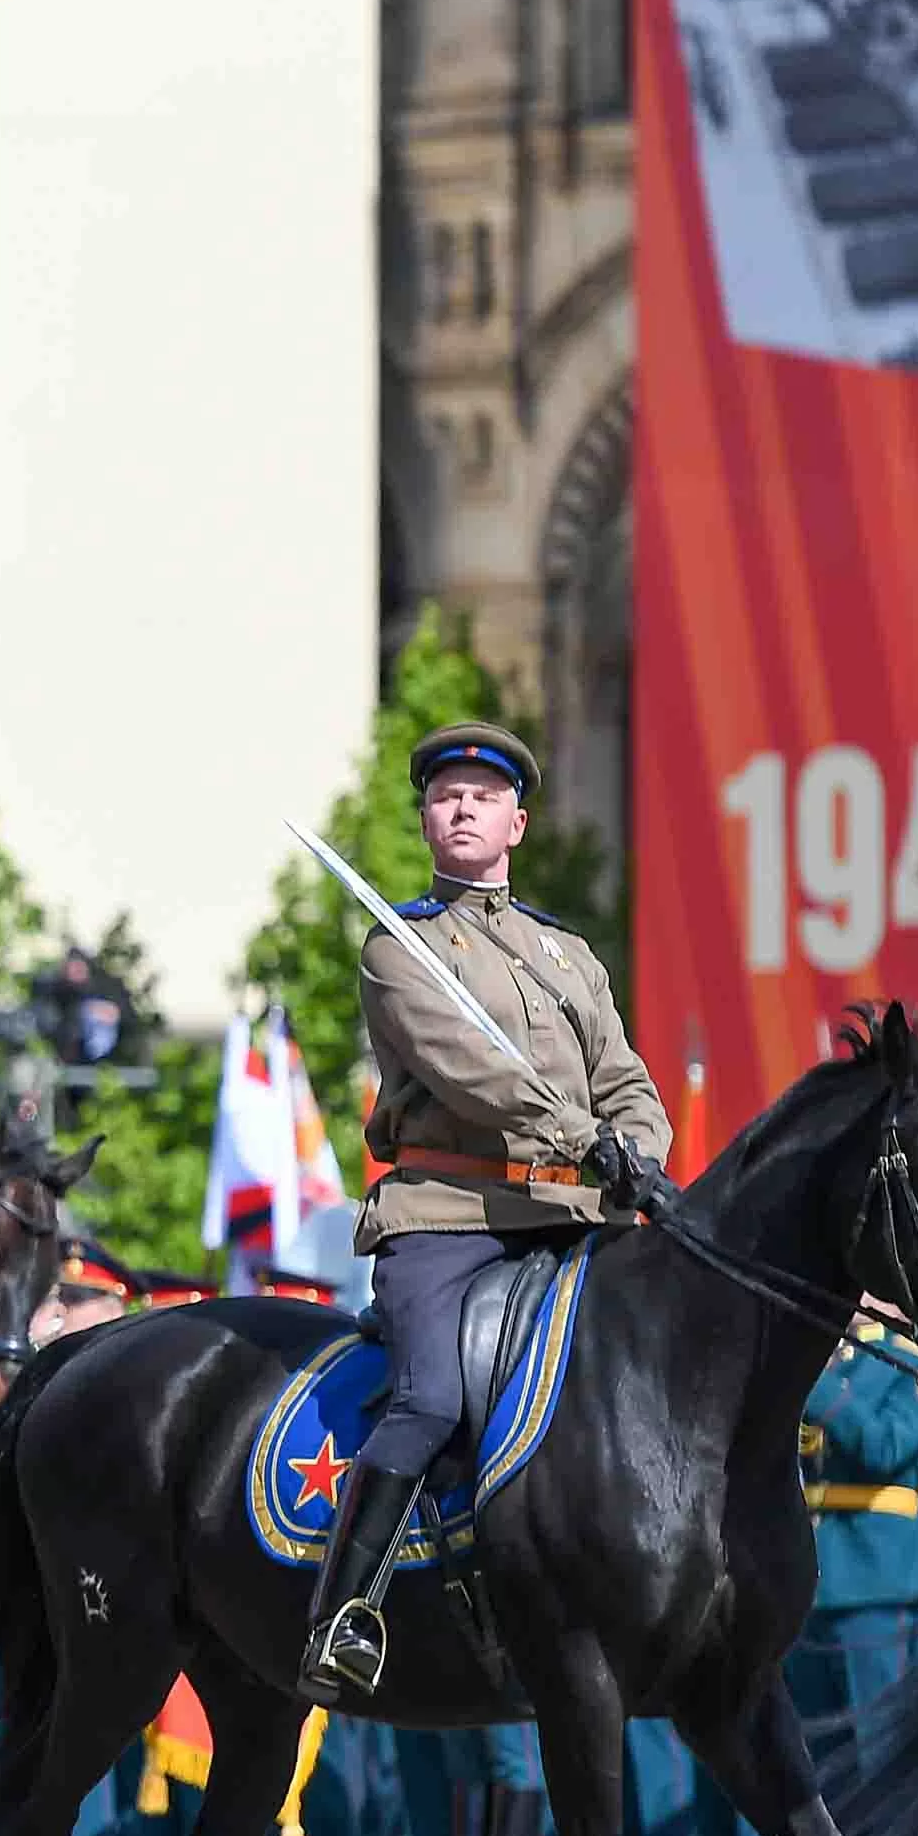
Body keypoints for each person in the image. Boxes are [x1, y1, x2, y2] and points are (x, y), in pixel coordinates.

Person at [299, 722, 673, 1704]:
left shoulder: (569, 955)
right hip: (448, 1214)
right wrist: (577, 1136)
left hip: (574, 1216)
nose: (460, 807)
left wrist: (640, 1145)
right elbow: (471, 1080)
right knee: (431, 1396)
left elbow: (626, 1081)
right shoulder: (400, 946)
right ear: (427, 818)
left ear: (518, 820)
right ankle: (347, 1609)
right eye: (444, 796)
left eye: (480, 795)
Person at [787, 1312, 918, 1836]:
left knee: (881, 1755)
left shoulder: (910, 1363)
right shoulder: (832, 1359)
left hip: (882, 1580)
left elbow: (888, 1447)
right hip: (821, 1579)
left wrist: (821, 1389)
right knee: (828, 1765)